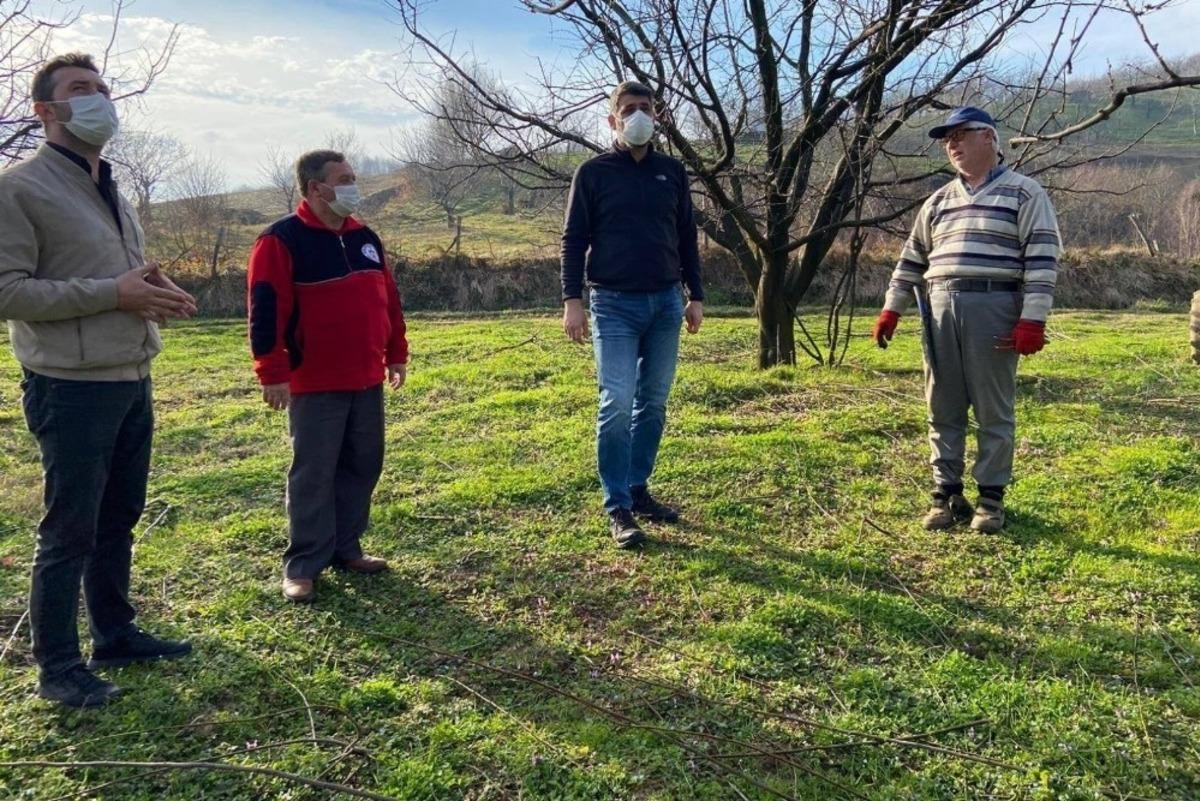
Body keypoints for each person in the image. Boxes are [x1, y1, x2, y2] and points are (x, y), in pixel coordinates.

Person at [0, 53, 198, 708]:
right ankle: (57, 666)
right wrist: (113, 293)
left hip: (130, 373)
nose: (100, 100)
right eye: (81, 90)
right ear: (46, 111)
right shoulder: (18, 188)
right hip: (69, 383)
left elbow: (118, 277)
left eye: (104, 89)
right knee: (70, 528)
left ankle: (114, 632)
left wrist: (153, 288)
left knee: (119, 515)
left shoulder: (111, 184)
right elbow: (9, 292)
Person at [872, 106, 1061, 533]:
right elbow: (912, 259)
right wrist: (892, 308)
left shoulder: (1024, 193)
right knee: (942, 403)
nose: (951, 144)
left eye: (961, 134)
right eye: (946, 139)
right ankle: (946, 493)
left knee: (993, 407)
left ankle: (991, 499)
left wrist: (1033, 319)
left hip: (993, 306)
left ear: (989, 139)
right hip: (938, 307)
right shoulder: (937, 201)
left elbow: (1042, 259)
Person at [247, 149, 408, 603]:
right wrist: (271, 371)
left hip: (366, 378)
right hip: (314, 382)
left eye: (354, 176)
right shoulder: (280, 240)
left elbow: (388, 301)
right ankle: (303, 565)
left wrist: (396, 352)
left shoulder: (366, 238)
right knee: (314, 473)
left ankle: (346, 547)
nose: (354, 186)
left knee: (363, 463)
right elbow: (265, 310)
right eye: (345, 178)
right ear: (316, 188)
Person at [561, 80, 704, 549]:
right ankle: (617, 505)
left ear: (657, 115)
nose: (638, 115)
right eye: (628, 109)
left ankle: (638, 489)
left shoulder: (672, 171)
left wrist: (695, 294)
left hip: (665, 302)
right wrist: (572, 301)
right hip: (613, 303)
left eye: (645, 108)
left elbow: (686, 235)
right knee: (616, 402)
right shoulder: (593, 172)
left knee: (654, 401)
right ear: (612, 119)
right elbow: (573, 239)